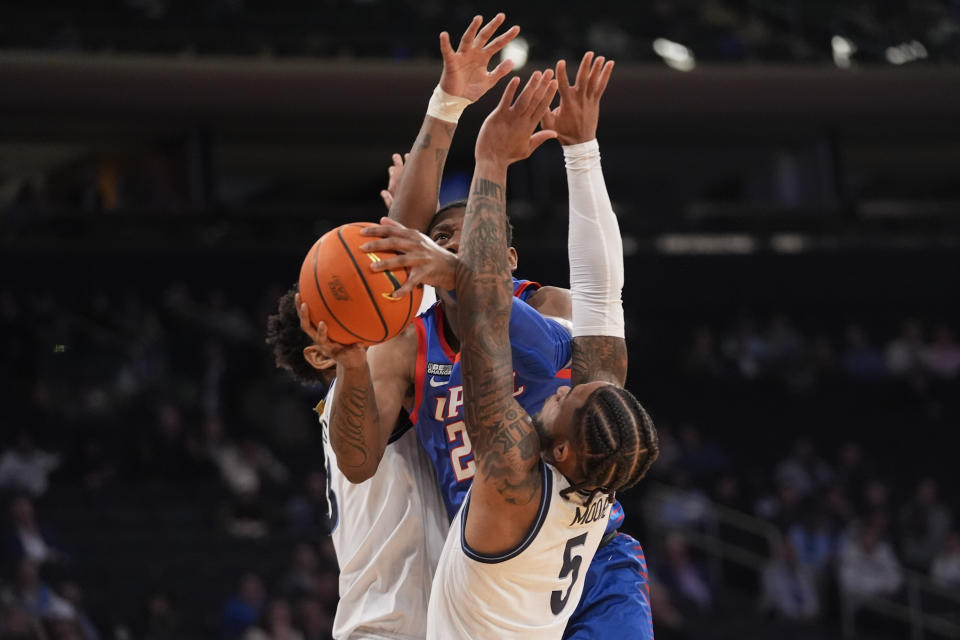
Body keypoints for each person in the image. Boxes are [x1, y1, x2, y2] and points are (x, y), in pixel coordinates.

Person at [391, 60, 655, 636]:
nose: (569, 382)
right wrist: (581, 149)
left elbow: (486, 320)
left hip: (520, 562)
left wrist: (491, 162)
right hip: (590, 551)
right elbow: (602, 291)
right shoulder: (595, 441)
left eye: (567, 397)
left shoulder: (512, 466)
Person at [266, 289, 448, 640]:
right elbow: (426, 297)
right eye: (348, 317)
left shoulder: (352, 401)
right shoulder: (357, 397)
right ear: (321, 355)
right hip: (396, 626)